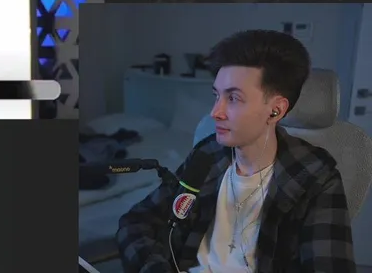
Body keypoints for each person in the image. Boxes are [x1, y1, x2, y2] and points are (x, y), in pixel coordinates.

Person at [117, 29, 356, 273]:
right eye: (216, 95)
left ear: (275, 110)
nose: (215, 112)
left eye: (233, 98)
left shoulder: (315, 177)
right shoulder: (208, 155)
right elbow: (135, 222)